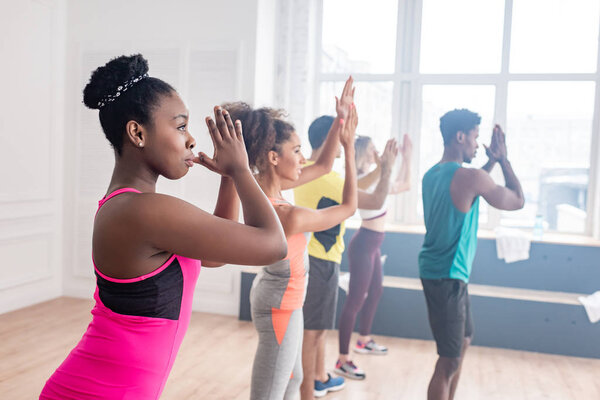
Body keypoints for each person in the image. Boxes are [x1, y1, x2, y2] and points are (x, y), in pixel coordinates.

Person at [39, 54, 287, 400]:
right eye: (181, 126)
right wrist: (243, 171)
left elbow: (213, 257)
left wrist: (230, 178)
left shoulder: (133, 207)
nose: (192, 140)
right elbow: (274, 245)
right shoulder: (144, 212)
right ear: (137, 133)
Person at [225, 76, 358, 400]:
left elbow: (324, 164)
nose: (303, 159)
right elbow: (349, 207)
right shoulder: (290, 215)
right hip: (280, 305)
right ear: (273, 157)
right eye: (297, 151)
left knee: (293, 377)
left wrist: (340, 120)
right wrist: (350, 147)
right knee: (270, 391)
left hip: (284, 299)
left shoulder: (257, 186)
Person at [419, 109, 524, 400]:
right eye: (476, 138)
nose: (478, 145)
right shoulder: (469, 177)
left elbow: (469, 187)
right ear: (460, 136)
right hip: (447, 276)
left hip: (442, 272)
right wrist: (502, 160)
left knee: (463, 340)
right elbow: (517, 200)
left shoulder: (432, 174)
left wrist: (490, 163)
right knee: (449, 359)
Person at [335, 133, 412, 380]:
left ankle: (363, 339)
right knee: (355, 301)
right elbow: (380, 180)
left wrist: (407, 158)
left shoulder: (375, 178)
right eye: (371, 149)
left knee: (376, 291)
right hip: (364, 244)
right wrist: (385, 165)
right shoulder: (358, 180)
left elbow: (404, 184)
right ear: (360, 153)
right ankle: (342, 359)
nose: (376, 152)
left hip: (373, 244)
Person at [292, 115, 348, 399]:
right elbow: (369, 200)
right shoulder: (328, 176)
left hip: (319, 258)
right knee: (313, 330)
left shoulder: (306, 171)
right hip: (320, 260)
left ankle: (319, 377)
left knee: (319, 327)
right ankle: (309, 388)